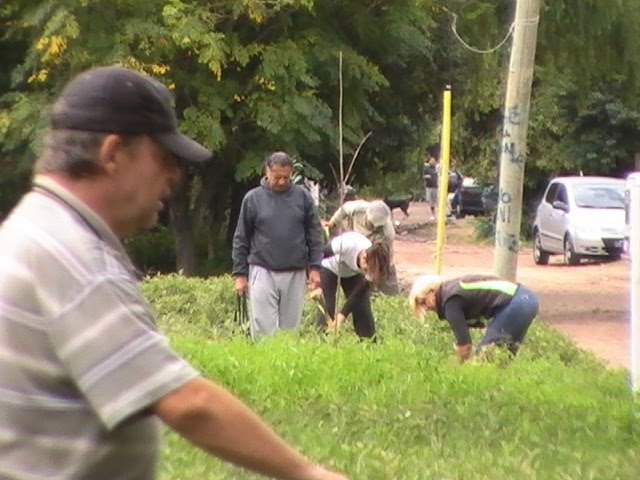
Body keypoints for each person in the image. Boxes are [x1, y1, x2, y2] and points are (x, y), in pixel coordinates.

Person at [0, 65, 347, 480]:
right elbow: (187, 404)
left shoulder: (34, 228)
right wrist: (309, 473)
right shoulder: (74, 258)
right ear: (111, 154)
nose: (173, 176)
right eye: (163, 159)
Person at [232, 151, 324, 339]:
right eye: (277, 177)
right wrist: (240, 274)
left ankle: (287, 365)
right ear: (267, 171)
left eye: (286, 177)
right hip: (262, 269)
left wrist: (315, 268)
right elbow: (241, 237)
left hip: (295, 271)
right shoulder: (253, 199)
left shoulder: (303, 197)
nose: (282, 181)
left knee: (290, 329)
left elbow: (314, 233)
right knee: (263, 328)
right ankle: (265, 365)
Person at [409, 274, 539, 362]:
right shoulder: (452, 290)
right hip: (526, 299)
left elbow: (464, 345)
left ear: (431, 292)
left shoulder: (450, 302)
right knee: (502, 359)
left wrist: (453, 371)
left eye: (423, 301)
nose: (425, 308)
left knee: (484, 359)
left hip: (516, 303)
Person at [312, 231, 391, 338]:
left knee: (362, 308)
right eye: (366, 270)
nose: (368, 273)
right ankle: (320, 341)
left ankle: (368, 344)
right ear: (364, 257)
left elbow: (357, 294)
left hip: (352, 274)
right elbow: (320, 255)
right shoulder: (347, 244)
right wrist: (313, 277)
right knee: (327, 306)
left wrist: (342, 315)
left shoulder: (375, 266)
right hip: (329, 266)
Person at [423, 155, 439, 221]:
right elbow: (423, 176)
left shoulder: (437, 168)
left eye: (433, 160)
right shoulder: (426, 168)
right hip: (429, 187)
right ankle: (433, 214)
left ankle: (437, 214)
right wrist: (426, 176)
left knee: (437, 201)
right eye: (431, 160)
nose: (432, 162)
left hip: (436, 187)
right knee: (430, 201)